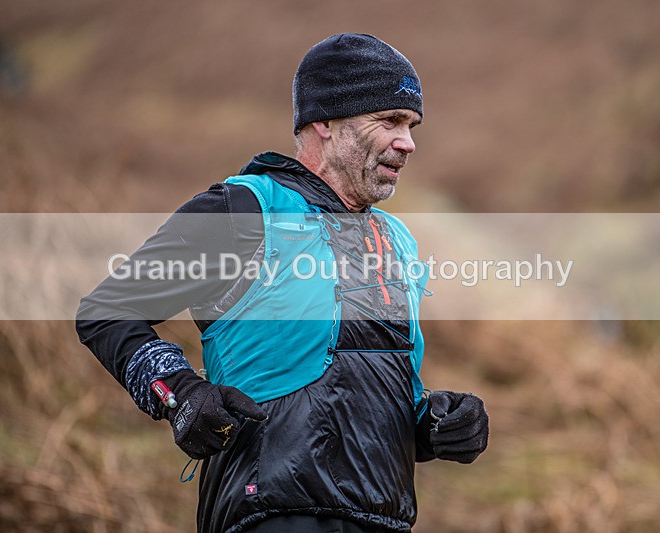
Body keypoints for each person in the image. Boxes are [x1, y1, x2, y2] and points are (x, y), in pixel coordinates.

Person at [76, 33, 488, 533]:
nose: (408, 142)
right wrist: (180, 393)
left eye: (411, 125)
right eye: (390, 121)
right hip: (269, 513)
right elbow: (108, 310)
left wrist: (434, 424)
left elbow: (366, 387)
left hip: (382, 518)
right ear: (325, 122)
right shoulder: (243, 210)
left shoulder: (396, 240)